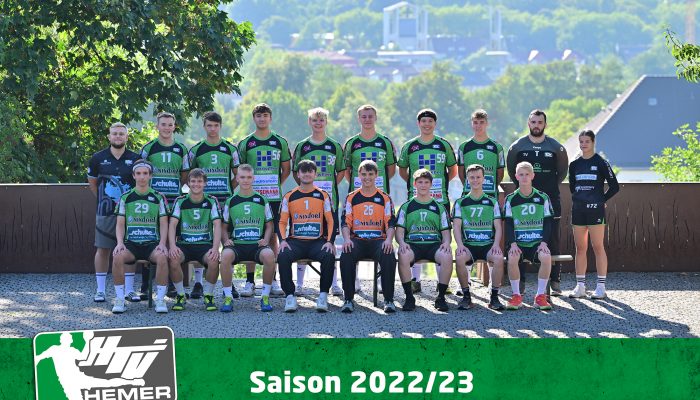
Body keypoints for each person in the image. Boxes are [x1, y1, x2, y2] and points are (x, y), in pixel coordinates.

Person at [506, 109, 568, 296]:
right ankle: (521, 282)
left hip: (550, 198)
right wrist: (525, 188)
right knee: (521, 236)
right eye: (533, 122)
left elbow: (562, 173)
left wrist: (547, 189)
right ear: (528, 123)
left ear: (545, 124)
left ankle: (555, 280)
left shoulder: (556, 147)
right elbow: (512, 171)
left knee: (553, 239)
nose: (536, 125)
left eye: (540, 122)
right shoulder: (517, 147)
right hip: (523, 199)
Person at [398, 108, 457, 293]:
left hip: (440, 199)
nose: (427, 124)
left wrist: (438, 186)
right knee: (414, 235)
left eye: (430, 121)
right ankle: (415, 281)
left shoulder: (443, 145)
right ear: (418, 123)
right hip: (415, 199)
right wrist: (418, 187)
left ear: (435, 124)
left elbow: (452, 170)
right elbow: (402, 171)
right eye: (423, 121)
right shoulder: (410, 146)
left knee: (441, 238)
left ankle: (443, 283)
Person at [184, 111, 240, 299]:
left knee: (227, 240)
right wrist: (198, 193)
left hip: (225, 200)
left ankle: (228, 284)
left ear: (220, 126)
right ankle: (198, 283)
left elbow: (238, 175)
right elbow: (188, 176)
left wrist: (228, 188)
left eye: (216, 125)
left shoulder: (230, 149)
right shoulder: (196, 150)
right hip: (203, 202)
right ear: (204, 126)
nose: (213, 129)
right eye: (209, 125)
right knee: (201, 238)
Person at [237, 103, 290, 297]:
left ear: (270, 118)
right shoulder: (246, 143)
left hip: (273, 197)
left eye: (265, 115)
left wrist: (274, 184)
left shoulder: (280, 141)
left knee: (273, 236)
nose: (262, 119)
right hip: (251, 197)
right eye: (258, 116)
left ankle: (272, 279)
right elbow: (240, 170)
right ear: (254, 118)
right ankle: (250, 281)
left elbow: (286, 169)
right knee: (250, 235)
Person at [343, 104, 397, 293]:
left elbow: (390, 170)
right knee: (355, 235)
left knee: (381, 236)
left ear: (376, 118)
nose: (367, 119)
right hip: (358, 198)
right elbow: (347, 171)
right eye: (363, 116)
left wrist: (375, 186)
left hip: (380, 198)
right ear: (359, 119)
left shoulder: (385, 142)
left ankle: (381, 280)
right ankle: (355, 279)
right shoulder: (351, 143)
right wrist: (362, 185)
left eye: (370, 116)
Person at [291, 107, 345, 296]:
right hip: (306, 203)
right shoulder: (302, 146)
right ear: (309, 122)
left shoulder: (334, 146)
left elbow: (341, 171)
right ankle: (299, 284)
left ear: (326, 122)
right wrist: (307, 188)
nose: (318, 123)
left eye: (321, 120)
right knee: (303, 237)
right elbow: (295, 171)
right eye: (315, 120)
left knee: (330, 241)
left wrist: (326, 188)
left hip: (328, 202)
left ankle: (334, 283)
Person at [87, 122, 141, 303]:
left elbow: (141, 182)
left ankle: (129, 290)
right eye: (115, 133)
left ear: (126, 137)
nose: (118, 136)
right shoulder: (97, 158)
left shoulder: (136, 158)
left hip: (130, 213)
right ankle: (101, 290)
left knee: (129, 248)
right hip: (105, 211)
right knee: (103, 249)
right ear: (109, 136)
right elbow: (93, 184)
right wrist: (105, 200)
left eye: (121, 134)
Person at [139, 111, 188, 298]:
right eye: (163, 124)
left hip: (174, 200)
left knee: (172, 241)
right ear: (157, 126)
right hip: (152, 201)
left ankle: (172, 285)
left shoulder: (181, 149)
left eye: (170, 124)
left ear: (174, 126)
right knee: (150, 239)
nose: (167, 128)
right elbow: (141, 171)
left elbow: (184, 174)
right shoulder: (148, 148)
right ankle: (146, 285)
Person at [277, 160, 336, 313]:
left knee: (329, 254)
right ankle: (290, 296)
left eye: (310, 171)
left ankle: (323, 295)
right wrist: (282, 241)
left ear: (315, 174)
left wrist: (330, 241)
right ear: (298, 174)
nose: (307, 174)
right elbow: (282, 222)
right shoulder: (289, 196)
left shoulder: (323, 195)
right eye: (304, 171)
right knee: (283, 255)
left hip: (317, 242)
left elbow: (331, 220)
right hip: (296, 242)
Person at [111, 161, 169, 313]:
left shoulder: (158, 197)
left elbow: (164, 223)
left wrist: (162, 243)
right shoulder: (125, 197)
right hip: (131, 244)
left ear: (150, 176)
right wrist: (119, 243)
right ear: (133, 176)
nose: (142, 177)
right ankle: (120, 299)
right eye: (138, 173)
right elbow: (120, 224)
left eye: (145, 173)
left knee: (163, 257)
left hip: (152, 244)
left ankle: (160, 299)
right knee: (117, 256)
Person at [339, 160, 397, 313]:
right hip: (357, 240)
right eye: (364, 174)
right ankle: (348, 299)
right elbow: (345, 222)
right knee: (346, 253)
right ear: (359, 175)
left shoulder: (385, 198)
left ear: (377, 175)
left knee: (388, 253)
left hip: (378, 240)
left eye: (370, 174)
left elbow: (391, 222)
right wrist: (346, 240)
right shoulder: (351, 197)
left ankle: (388, 300)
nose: (367, 178)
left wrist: (389, 240)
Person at [568, 130, 619, 299]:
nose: (583, 145)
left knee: (597, 246)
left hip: (595, 211)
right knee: (580, 248)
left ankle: (601, 287)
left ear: (593, 142)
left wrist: (601, 199)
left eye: (587, 141)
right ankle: (580, 287)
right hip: (578, 210)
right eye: (581, 141)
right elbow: (573, 187)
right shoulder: (574, 165)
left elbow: (614, 186)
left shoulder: (601, 162)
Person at [220, 164, 277, 312]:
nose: (246, 180)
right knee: (225, 256)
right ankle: (228, 297)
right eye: (242, 177)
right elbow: (223, 227)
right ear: (237, 178)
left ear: (253, 179)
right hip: (237, 244)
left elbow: (270, 225)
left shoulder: (262, 200)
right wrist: (226, 240)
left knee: (269, 256)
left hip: (256, 244)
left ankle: (265, 296)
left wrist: (266, 239)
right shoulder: (230, 201)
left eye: (249, 177)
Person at [395, 169, 453, 312]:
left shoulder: (439, 207)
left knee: (447, 256)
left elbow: (446, 233)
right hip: (413, 245)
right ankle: (409, 297)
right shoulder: (406, 207)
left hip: (433, 245)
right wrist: (402, 243)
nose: (423, 185)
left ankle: (441, 297)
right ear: (414, 184)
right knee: (403, 254)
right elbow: (399, 232)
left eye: (426, 182)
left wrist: (446, 243)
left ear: (431, 184)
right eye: (420, 182)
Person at [167, 168, 222, 312]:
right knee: (173, 258)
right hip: (184, 244)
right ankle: (180, 295)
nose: (196, 184)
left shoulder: (211, 200)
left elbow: (217, 225)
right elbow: (172, 225)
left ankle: (208, 295)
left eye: (199, 181)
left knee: (214, 260)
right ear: (188, 183)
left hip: (205, 244)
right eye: (193, 181)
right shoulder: (180, 201)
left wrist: (215, 248)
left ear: (205, 183)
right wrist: (172, 246)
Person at [452, 164, 505, 311]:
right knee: (460, 257)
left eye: (478, 177)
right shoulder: (460, 202)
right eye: (472, 177)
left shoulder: (492, 202)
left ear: (483, 179)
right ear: (467, 180)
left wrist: (496, 245)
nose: (475, 180)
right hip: (469, 245)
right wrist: (460, 245)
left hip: (488, 244)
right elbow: (456, 227)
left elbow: (498, 227)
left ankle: (494, 297)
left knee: (498, 258)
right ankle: (466, 296)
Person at [503, 162, 554, 311]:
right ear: (516, 176)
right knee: (512, 257)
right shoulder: (511, 198)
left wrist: (544, 243)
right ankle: (516, 296)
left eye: (527, 174)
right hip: (518, 243)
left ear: (532, 176)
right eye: (521, 174)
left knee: (546, 257)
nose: (524, 177)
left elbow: (548, 222)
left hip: (536, 243)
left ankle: (540, 296)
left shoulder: (542, 197)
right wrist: (512, 244)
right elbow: (508, 224)